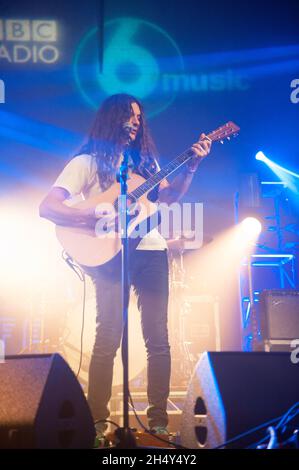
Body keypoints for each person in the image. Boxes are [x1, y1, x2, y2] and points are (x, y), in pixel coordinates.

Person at [39, 93, 212, 442]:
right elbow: (48, 207)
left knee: (158, 338)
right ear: (111, 118)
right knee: (107, 337)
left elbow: (169, 197)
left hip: (150, 250)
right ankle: (99, 422)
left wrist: (192, 164)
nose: (135, 121)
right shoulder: (87, 163)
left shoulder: (146, 166)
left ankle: (159, 423)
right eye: (128, 115)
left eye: (138, 116)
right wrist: (90, 214)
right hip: (109, 254)